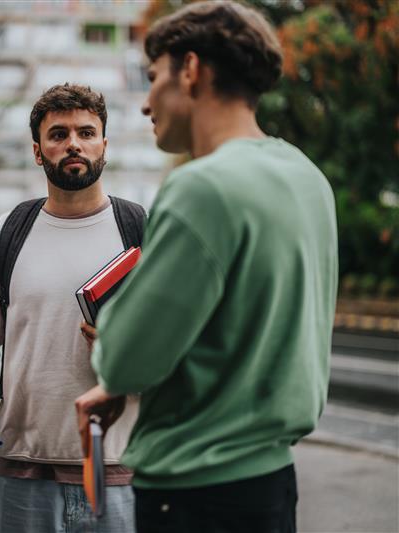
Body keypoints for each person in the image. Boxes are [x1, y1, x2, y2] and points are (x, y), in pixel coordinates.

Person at [75, 2, 339, 532]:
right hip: (270, 482)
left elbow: (126, 359)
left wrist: (114, 354)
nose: (147, 102)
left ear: (190, 70)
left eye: (152, 79)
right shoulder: (306, 178)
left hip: (194, 493)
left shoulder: (202, 187)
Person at [0, 83, 145, 532]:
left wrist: (128, 348)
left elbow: (183, 346)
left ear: (104, 146)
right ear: (38, 151)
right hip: (25, 469)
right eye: (58, 134)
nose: (73, 143)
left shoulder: (143, 232)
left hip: (121, 467)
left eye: (86, 132)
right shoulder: (6, 234)